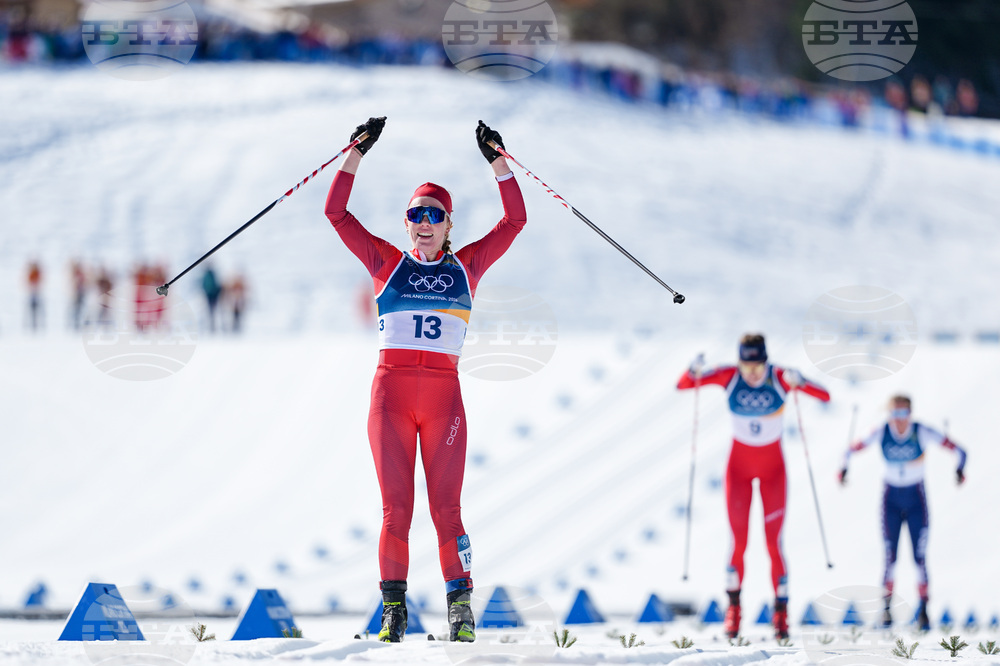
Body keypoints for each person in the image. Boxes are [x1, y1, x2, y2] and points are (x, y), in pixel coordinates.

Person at [324, 116, 526, 643]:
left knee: (447, 510)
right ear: (407, 221)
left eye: (434, 215)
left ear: (448, 223)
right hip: (390, 398)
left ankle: (460, 608)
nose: (424, 222)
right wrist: (355, 154)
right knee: (396, 511)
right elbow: (336, 214)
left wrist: (498, 162)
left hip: (443, 402)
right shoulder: (385, 262)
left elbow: (515, 221)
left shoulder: (469, 267)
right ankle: (394, 611)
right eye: (415, 214)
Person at [676, 333, 830, 641]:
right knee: (739, 541)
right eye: (747, 366)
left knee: (773, 543)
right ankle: (733, 611)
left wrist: (801, 380)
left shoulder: (780, 377)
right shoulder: (729, 376)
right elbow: (684, 384)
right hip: (739, 470)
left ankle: (781, 613)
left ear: (766, 361)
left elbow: (824, 396)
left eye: (757, 366)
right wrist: (693, 369)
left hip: (774, 471)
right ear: (739, 362)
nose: (752, 373)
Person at [838, 394, 967, 631]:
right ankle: (886, 612)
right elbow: (850, 449)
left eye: (904, 414)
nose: (899, 420)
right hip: (891, 501)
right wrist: (843, 469)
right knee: (890, 558)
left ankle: (924, 611)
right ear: (889, 415)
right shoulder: (881, 431)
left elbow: (960, 451)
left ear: (911, 413)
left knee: (919, 558)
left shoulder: (921, 432)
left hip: (917, 500)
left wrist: (959, 471)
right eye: (895, 414)